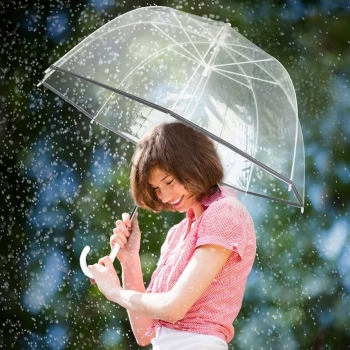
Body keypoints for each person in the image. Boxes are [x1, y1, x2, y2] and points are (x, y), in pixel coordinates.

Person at [89, 122, 256, 349]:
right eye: (156, 188)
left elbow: (173, 307)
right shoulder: (176, 235)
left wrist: (115, 292)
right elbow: (145, 333)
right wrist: (130, 261)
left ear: (192, 166)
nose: (165, 196)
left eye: (169, 181)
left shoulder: (226, 211)